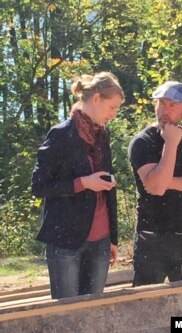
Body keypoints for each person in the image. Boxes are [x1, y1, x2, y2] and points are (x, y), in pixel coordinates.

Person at [32, 72, 125, 299]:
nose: (113, 114)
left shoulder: (103, 135)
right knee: (68, 316)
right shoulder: (61, 134)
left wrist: (112, 238)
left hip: (101, 242)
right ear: (96, 99)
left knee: (92, 314)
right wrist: (83, 183)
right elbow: (39, 186)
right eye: (112, 107)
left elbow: (107, 190)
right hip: (65, 242)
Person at [128, 80, 182, 286]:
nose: (165, 110)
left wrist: (168, 181)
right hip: (152, 236)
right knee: (146, 305)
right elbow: (156, 188)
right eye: (161, 103)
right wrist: (171, 143)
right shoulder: (142, 142)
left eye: (172, 105)